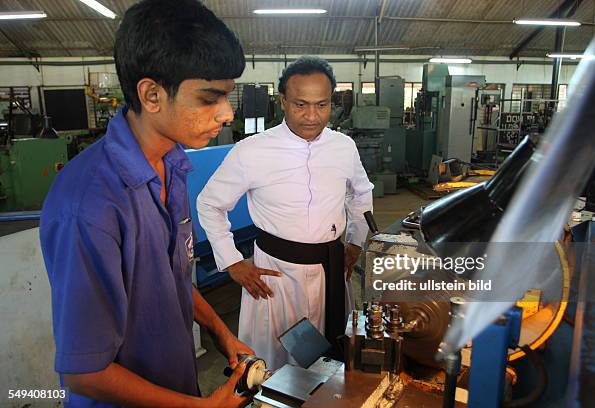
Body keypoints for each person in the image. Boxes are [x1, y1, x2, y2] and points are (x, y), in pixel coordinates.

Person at [39, 1, 253, 406]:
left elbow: (169, 279)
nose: (226, 113)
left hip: (176, 385)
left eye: (228, 96)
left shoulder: (172, 165)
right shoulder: (89, 205)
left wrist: (218, 330)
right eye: (210, 98)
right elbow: (84, 372)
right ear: (152, 94)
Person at [198, 56, 374, 370]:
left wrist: (356, 243)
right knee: (277, 363)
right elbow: (210, 204)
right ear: (283, 102)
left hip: (331, 270)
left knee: (334, 357)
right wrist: (232, 261)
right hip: (277, 276)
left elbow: (361, 193)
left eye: (322, 105)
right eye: (300, 105)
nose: (311, 116)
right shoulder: (251, 151)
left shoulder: (343, 146)